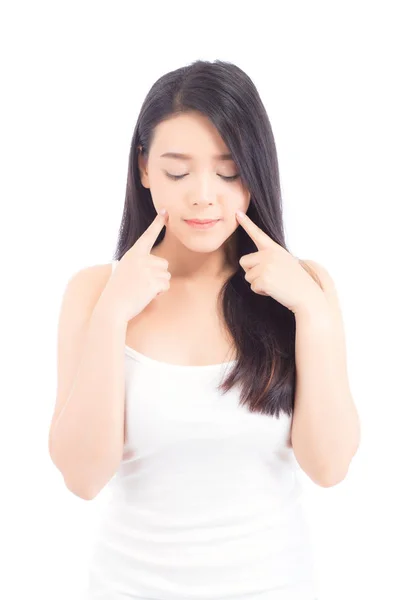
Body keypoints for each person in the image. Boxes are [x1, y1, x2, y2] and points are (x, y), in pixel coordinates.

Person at [48, 59, 337, 599]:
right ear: (143, 168)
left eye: (228, 172)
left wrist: (312, 313)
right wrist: (114, 314)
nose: (203, 194)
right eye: (178, 171)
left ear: (257, 169)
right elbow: (82, 478)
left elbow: (330, 466)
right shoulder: (93, 293)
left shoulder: (306, 288)